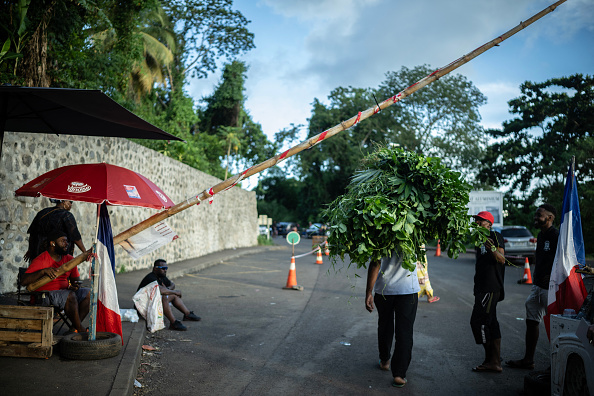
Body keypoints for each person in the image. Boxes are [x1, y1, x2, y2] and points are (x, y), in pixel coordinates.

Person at [506, 204, 559, 370]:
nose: (535, 218)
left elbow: (563, 260)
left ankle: (557, 365)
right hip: (537, 286)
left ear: (550, 218)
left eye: (539, 215)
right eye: (536, 215)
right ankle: (528, 360)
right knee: (531, 319)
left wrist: (554, 276)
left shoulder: (557, 235)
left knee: (556, 326)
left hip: (552, 288)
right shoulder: (540, 235)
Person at [365, 251, 420, 388]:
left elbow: (375, 263)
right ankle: (399, 375)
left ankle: (385, 361)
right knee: (405, 332)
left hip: (385, 288)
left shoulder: (378, 233)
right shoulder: (416, 233)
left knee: (384, 326)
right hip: (408, 289)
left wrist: (368, 292)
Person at [21, 230, 92, 333]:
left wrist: (75, 286)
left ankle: (73, 329)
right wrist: (43, 272)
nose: (66, 244)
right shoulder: (41, 260)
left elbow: (76, 282)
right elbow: (23, 281)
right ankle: (80, 329)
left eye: (67, 241)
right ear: (52, 243)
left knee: (89, 293)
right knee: (70, 296)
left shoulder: (69, 259)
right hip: (45, 295)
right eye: (63, 241)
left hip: (65, 293)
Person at [470, 211, 506, 373]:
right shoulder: (478, 240)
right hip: (482, 287)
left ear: (489, 224)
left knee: (479, 322)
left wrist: (491, 247)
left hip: (490, 287)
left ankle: (491, 360)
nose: (477, 223)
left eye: (480, 221)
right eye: (476, 220)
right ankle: (495, 360)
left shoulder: (495, 235)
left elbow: (502, 259)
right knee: (491, 322)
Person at [137, 259, 201, 331]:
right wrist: (174, 292)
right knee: (165, 297)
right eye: (163, 268)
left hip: (151, 303)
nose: (165, 270)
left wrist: (167, 289)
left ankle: (187, 314)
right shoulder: (151, 278)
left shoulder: (161, 276)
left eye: (166, 268)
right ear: (155, 268)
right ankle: (173, 323)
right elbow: (159, 290)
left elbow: (172, 284)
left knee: (173, 296)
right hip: (142, 306)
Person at [24, 199, 86, 263]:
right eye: (70, 202)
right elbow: (75, 236)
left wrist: (30, 250)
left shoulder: (42, 212)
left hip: (39, 255)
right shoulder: (66, 215)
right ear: (63, 201)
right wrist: (85, 252)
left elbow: (33, 233)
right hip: (56, 256)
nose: (71, 204)